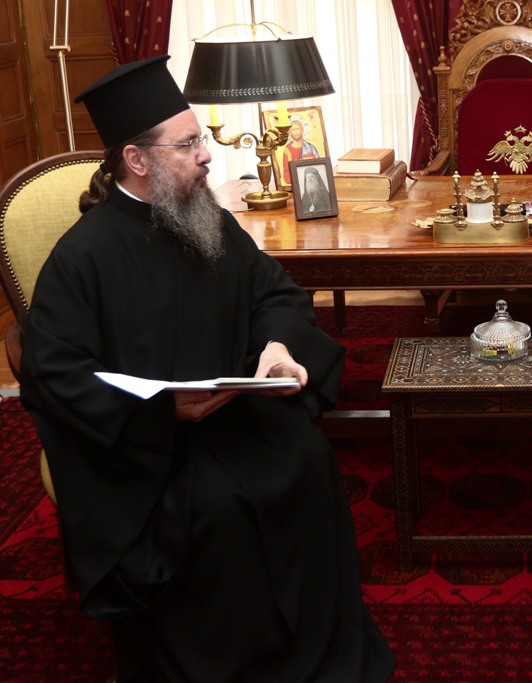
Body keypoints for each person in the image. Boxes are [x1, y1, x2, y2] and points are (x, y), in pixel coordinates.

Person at [20, 56, 394, 681]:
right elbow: (52, 376)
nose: (206, 155)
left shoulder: (207, 219)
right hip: (145, 445)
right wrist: (159, 410)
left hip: (235, 412)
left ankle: (315, 646)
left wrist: (277, 347)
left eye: (201, 139)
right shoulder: (82, 257)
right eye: (188, 143)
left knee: (305, 458)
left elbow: (275, 295)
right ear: (136, 160)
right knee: (218, 508)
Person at [282, 118, 320, 185]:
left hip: (311, 181)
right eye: (293, 130)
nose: (295, 132)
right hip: (295, 183)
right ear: (289, 132)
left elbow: (318, 167)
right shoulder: (288, 150)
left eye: (297, 129)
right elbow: (287, 173)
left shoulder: (311, 148)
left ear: (302, 130)